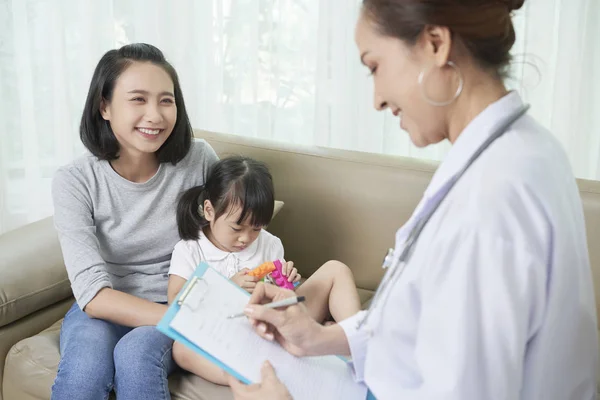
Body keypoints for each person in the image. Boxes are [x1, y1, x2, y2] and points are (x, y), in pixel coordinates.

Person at [227, 0, 599, 399]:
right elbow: (426, 324)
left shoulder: (493, 194)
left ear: (436, 44)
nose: (377, 99)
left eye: (375, 67)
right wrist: (319, 337)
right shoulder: (525, 149)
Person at [51, 43, 219, 400]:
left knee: (135, 357)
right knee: (83, 376)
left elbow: (238, 231)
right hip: (106, 307)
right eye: (138, 99)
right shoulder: (74, 180)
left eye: (166, 100)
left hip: (177, 301)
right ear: (105, 106)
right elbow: (93, 295)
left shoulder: (200, 159)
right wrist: (181, 319)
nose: (155, 115)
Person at [167, 155, 362, 386]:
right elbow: (176, 303)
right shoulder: (190, 249)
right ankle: (246, 378)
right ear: (209, 211)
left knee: (335, 270)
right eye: (236, 227)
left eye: (256, 228)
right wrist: (226, 287)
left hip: (278, 330)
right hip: (227, 337)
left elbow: (282, 300)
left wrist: (286, 284)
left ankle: (355, 345)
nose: (245, 238)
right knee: (181, 350)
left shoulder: (269, 244)